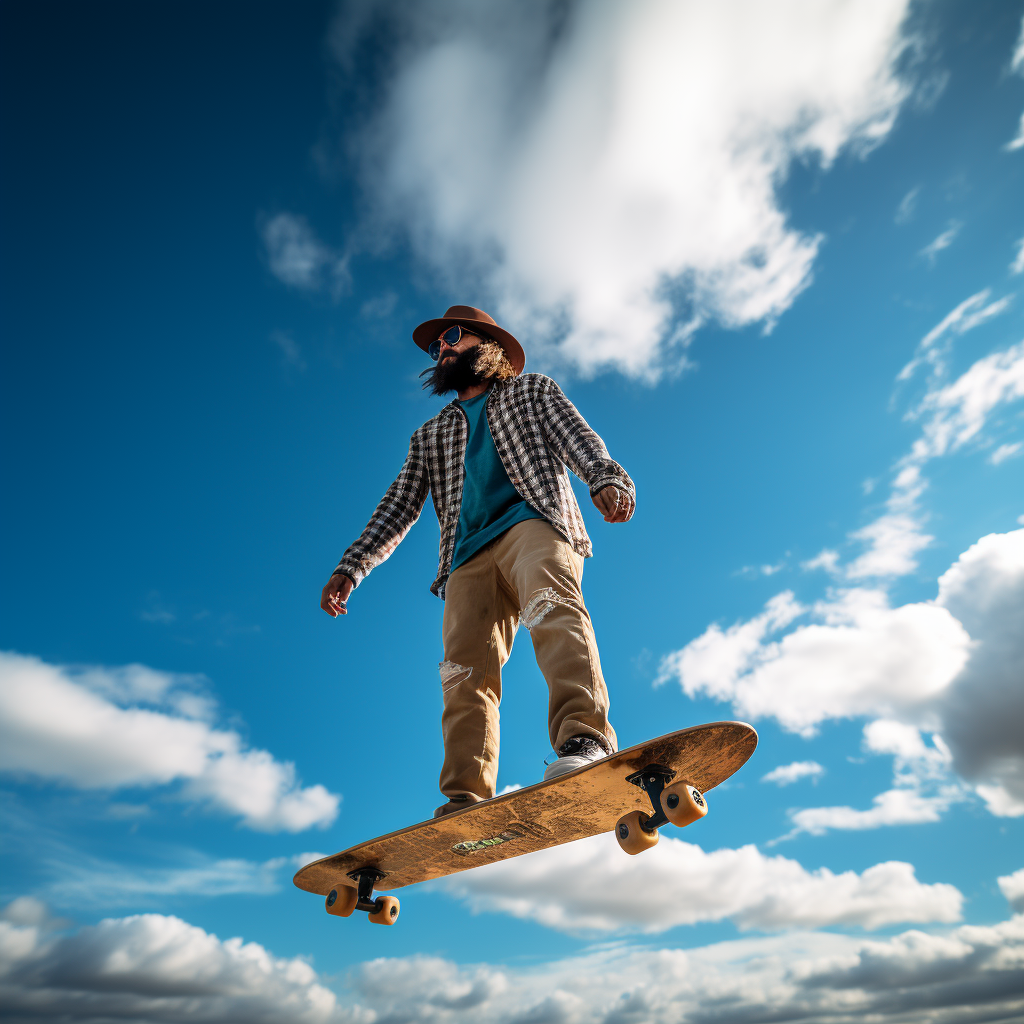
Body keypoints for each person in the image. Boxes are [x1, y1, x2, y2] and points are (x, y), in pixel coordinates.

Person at [320, 306, 635, 817]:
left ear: (487, 344)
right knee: (462, 671)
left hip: (533, 525)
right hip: (466, 558)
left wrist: (605, 477)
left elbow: (579, 438)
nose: (441, 348)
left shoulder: (531, 391)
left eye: (450, 336)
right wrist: (352, 567)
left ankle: (586, 741)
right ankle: (466, 794)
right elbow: (399, 505)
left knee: (552, 611)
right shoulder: (429, 435)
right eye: (433, 346)